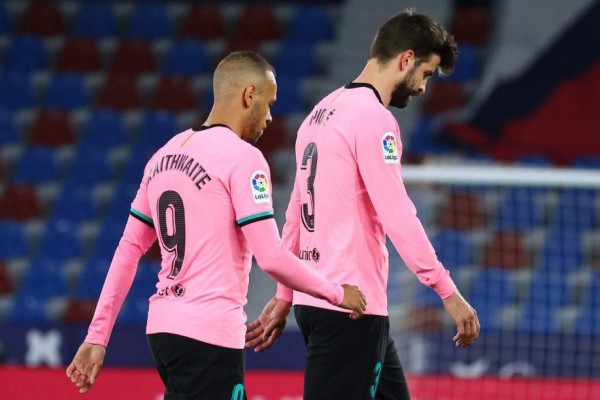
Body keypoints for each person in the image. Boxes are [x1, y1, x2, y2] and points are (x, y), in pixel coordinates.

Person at [66, 51, 367, 399]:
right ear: (248, 95)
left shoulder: (163, 156)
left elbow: (128, 251)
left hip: (163, 329)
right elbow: (270, 256)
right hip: (208, 332)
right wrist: (336, 292)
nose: (270, 117)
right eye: (268, 104)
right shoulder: (244, 159)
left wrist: (97, 335)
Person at [246, 11, 480, 400]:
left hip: (320, 301)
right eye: (425, 73)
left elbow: (296, 214)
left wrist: (287, 293)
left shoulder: (319, 114)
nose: (423, 87)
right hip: (351, 307)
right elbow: (398, 215)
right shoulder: (374, 119)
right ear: (406, 59)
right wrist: (447, 292)